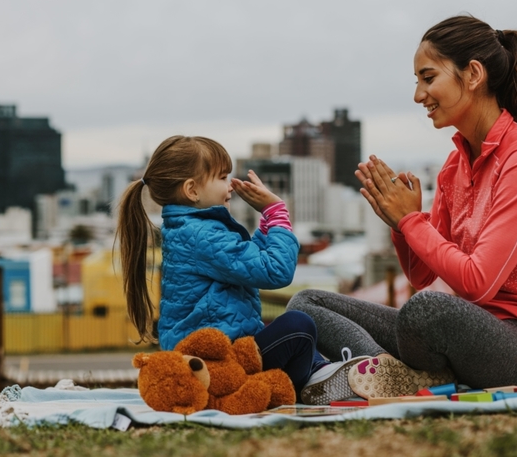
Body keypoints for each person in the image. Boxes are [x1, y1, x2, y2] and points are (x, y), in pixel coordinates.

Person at [288, 15, 517, 399]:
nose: (418, 95)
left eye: (428, 78)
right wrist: (397, 221)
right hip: (462, 331)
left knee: (426, 312)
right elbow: (422, 274)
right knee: (306, 303)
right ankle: (392, 375)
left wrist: (411, 220)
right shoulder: (454, 167)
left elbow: (479, 283)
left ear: (472, 74)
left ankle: (397, 375)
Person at [117, 135, 368, 404]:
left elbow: (247, 262)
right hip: (218, 368)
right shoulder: (203, 236)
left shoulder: (191, 231)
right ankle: (314, 378)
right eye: (223, 177)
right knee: (298, 325)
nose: (231, 187)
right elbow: (275, 271)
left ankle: (319, 372)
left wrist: (266, 225)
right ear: (192, 190)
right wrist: (276, 212)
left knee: (290, 327)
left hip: (221, 358)